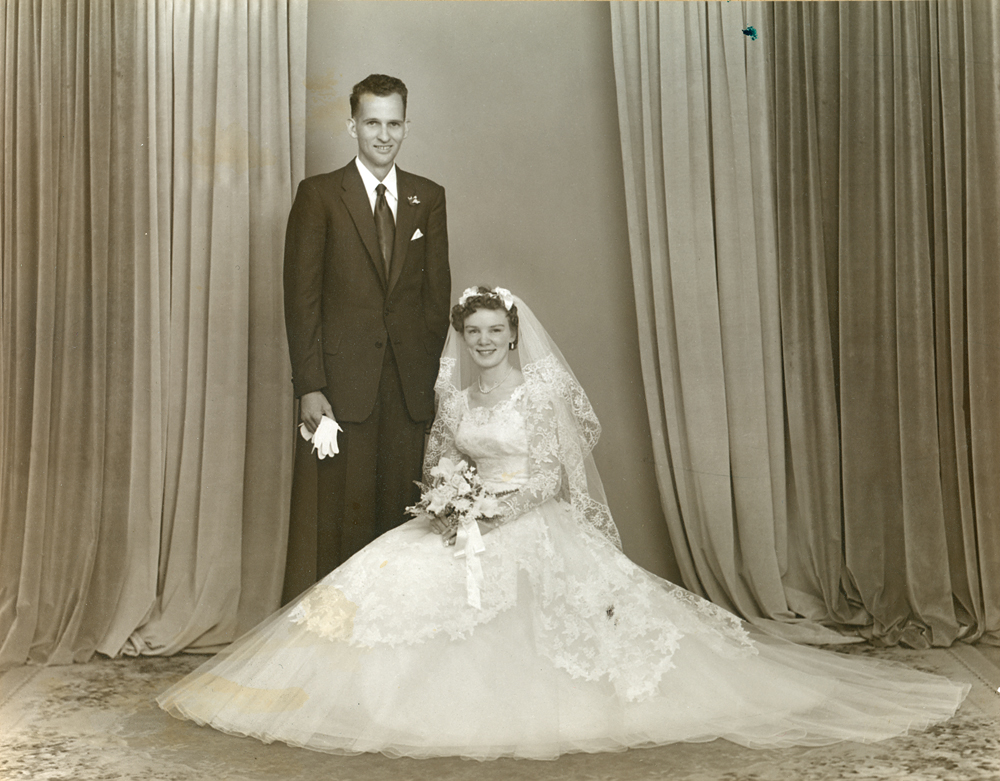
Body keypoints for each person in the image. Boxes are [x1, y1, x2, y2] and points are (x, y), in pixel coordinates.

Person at [159, 287, 969, 760]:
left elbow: (552, 470)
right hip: (467, 513)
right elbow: (445, 455)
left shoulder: (538, 392)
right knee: (387, 576)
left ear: (513, 333)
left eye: (494, 333)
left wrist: (499, 508)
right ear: (462, 340)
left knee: (524, 605)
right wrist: (446, 502)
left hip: (533, 516)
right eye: (471, 334)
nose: (482, 343)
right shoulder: (454, 394)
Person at [283, 74, 450, 578]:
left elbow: (435, 298)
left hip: (406, 393)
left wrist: (423, 380)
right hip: (340, 393)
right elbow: (301, 299)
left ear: (406, 126)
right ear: (352, 124)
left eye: (393, 123)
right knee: (339, 524)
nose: (383, 134)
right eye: (372, 122)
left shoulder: (429, 196)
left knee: (401, 522)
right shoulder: (319, 195)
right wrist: (310, 386)